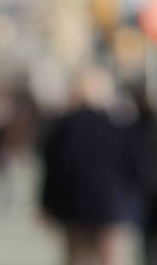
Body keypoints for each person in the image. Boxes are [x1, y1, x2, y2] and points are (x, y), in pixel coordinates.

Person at [41, 66, 150, 265]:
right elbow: (138, 167)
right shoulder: (121, 125)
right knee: (109, 257)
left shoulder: (63, 126)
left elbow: (52, 169)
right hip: (111, 205)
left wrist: (46, 206)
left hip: (73, 204)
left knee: (76, 256)